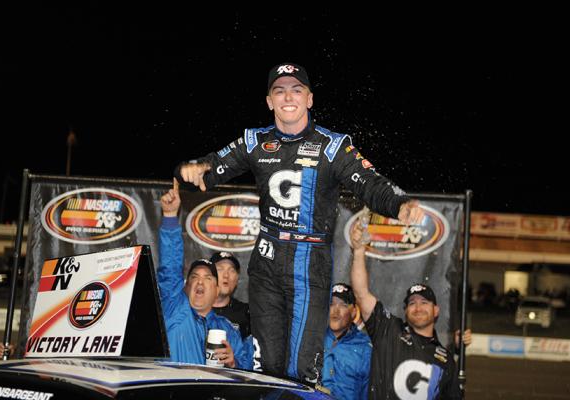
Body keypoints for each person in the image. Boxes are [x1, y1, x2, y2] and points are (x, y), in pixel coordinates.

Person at [175, 61, 423, 383]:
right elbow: (209, 167)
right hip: (266, 264)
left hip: (310, 265)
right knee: (267, 367)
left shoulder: (333, 147)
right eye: (280, 92)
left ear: (309, 99)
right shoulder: (254, 141)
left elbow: (370, 183)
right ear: (270, 102)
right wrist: (191, 169)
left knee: (302, 369)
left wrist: (399, 203)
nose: (288, 97)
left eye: (296, 90)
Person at [349, 221, 461, 399]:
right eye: (412, 303)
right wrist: (359, 251)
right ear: (406, 311)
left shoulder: (446, 359)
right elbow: (361, 294)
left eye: (424, 302)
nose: (418, 307)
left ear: (436, 310)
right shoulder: (388, 330)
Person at [158, 180, 250, 369]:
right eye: (194, 277)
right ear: (186, 287)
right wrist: (170, 216)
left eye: (208, 278)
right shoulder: (175, 308)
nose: (200, 281)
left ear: (216, 290)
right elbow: (170, 267)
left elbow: (246, 370)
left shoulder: (227, 329)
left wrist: (234, 363)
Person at [321, 283, 371, 400]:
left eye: (343, 305)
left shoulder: (365, 348)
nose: (335, 311)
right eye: (331, 304)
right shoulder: (314, 337)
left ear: (354, 312)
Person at [210, 251, 251, 339]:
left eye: (231, 270)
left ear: (237, 279)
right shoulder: (194, 311)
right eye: (220, 269)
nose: (226, 275)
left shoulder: (247, 314)